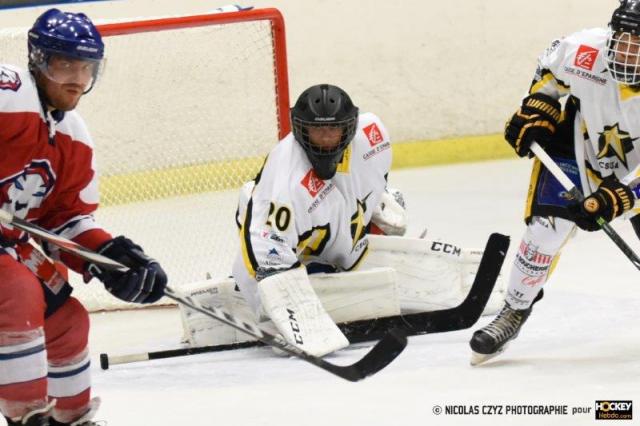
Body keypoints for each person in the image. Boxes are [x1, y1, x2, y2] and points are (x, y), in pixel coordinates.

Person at [0, 9, 167, 425]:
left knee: (67, 322)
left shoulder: (74, 136)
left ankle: (70, 419)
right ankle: (26, 419)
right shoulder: (7, 90)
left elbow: (64, 218)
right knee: (18, 291)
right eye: (64, 65)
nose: (76, 77)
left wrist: (110, 256)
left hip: (8, 243)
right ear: (38, 61)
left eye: (86, 67)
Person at [470, 0, 640, 365]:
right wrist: (537, 109)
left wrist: (622, 197)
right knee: (544, 232)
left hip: (636, 174)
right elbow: (548, 75)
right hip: (580, 151)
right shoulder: (583, 51)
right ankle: (515, 309)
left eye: (637, 46)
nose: (626, 53)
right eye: (622, 40)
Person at [231, 83, 402, 356]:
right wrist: (292, 313)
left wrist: (377, 201)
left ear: (350, 126)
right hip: (294, 254)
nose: (325, 138)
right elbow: (267, 252)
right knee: (266, 261)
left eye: (333, 129)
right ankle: (257, 286)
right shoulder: (283, 183)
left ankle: (343, 260)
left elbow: (367, 174)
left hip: (334, 235)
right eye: (316, 130)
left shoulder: (372, 135)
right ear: (300, 128)